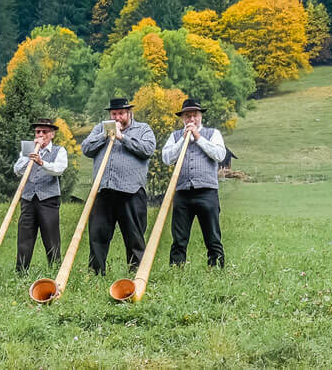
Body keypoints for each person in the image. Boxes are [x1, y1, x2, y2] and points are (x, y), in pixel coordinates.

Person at [80, 97, 156, 275]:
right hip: (104, 191)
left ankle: (137, 276)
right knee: (97, 236)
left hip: (131, 192)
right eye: (114, 114)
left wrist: (123, 137)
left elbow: (147, 150)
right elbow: (86, 149)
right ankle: (96, 274)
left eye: (121, 113)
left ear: (129, 113)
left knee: (134, 238)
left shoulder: (143, 129)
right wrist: (105, 135)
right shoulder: (101, 128)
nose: (117, 117)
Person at [161, 98, 227, 268]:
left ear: (200, 117)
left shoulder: (213, 134)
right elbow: (167, 158)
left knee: (212, 237)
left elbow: (219, 155)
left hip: (207, 192)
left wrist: (198, 137)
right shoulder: (175, 136)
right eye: (187, 116)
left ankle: (217, 270)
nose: (191, 119)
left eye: (194, 115)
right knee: (179, 239)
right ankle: (176, 271)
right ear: (182, 118)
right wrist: (183, 140)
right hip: (182, 194)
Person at [14, 116, 68, 273]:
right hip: (28, 199)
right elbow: (17, 170)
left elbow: (59, 169)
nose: (40, 135)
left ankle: (55, 271)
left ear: (52, 134)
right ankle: (21, 272)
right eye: (38, 132)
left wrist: (41, 162)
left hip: (48, 200)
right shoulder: (27, 150)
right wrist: (29, 157)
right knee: (24, 237)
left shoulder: (59, 151)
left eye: (44, 132)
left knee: (51, 238)